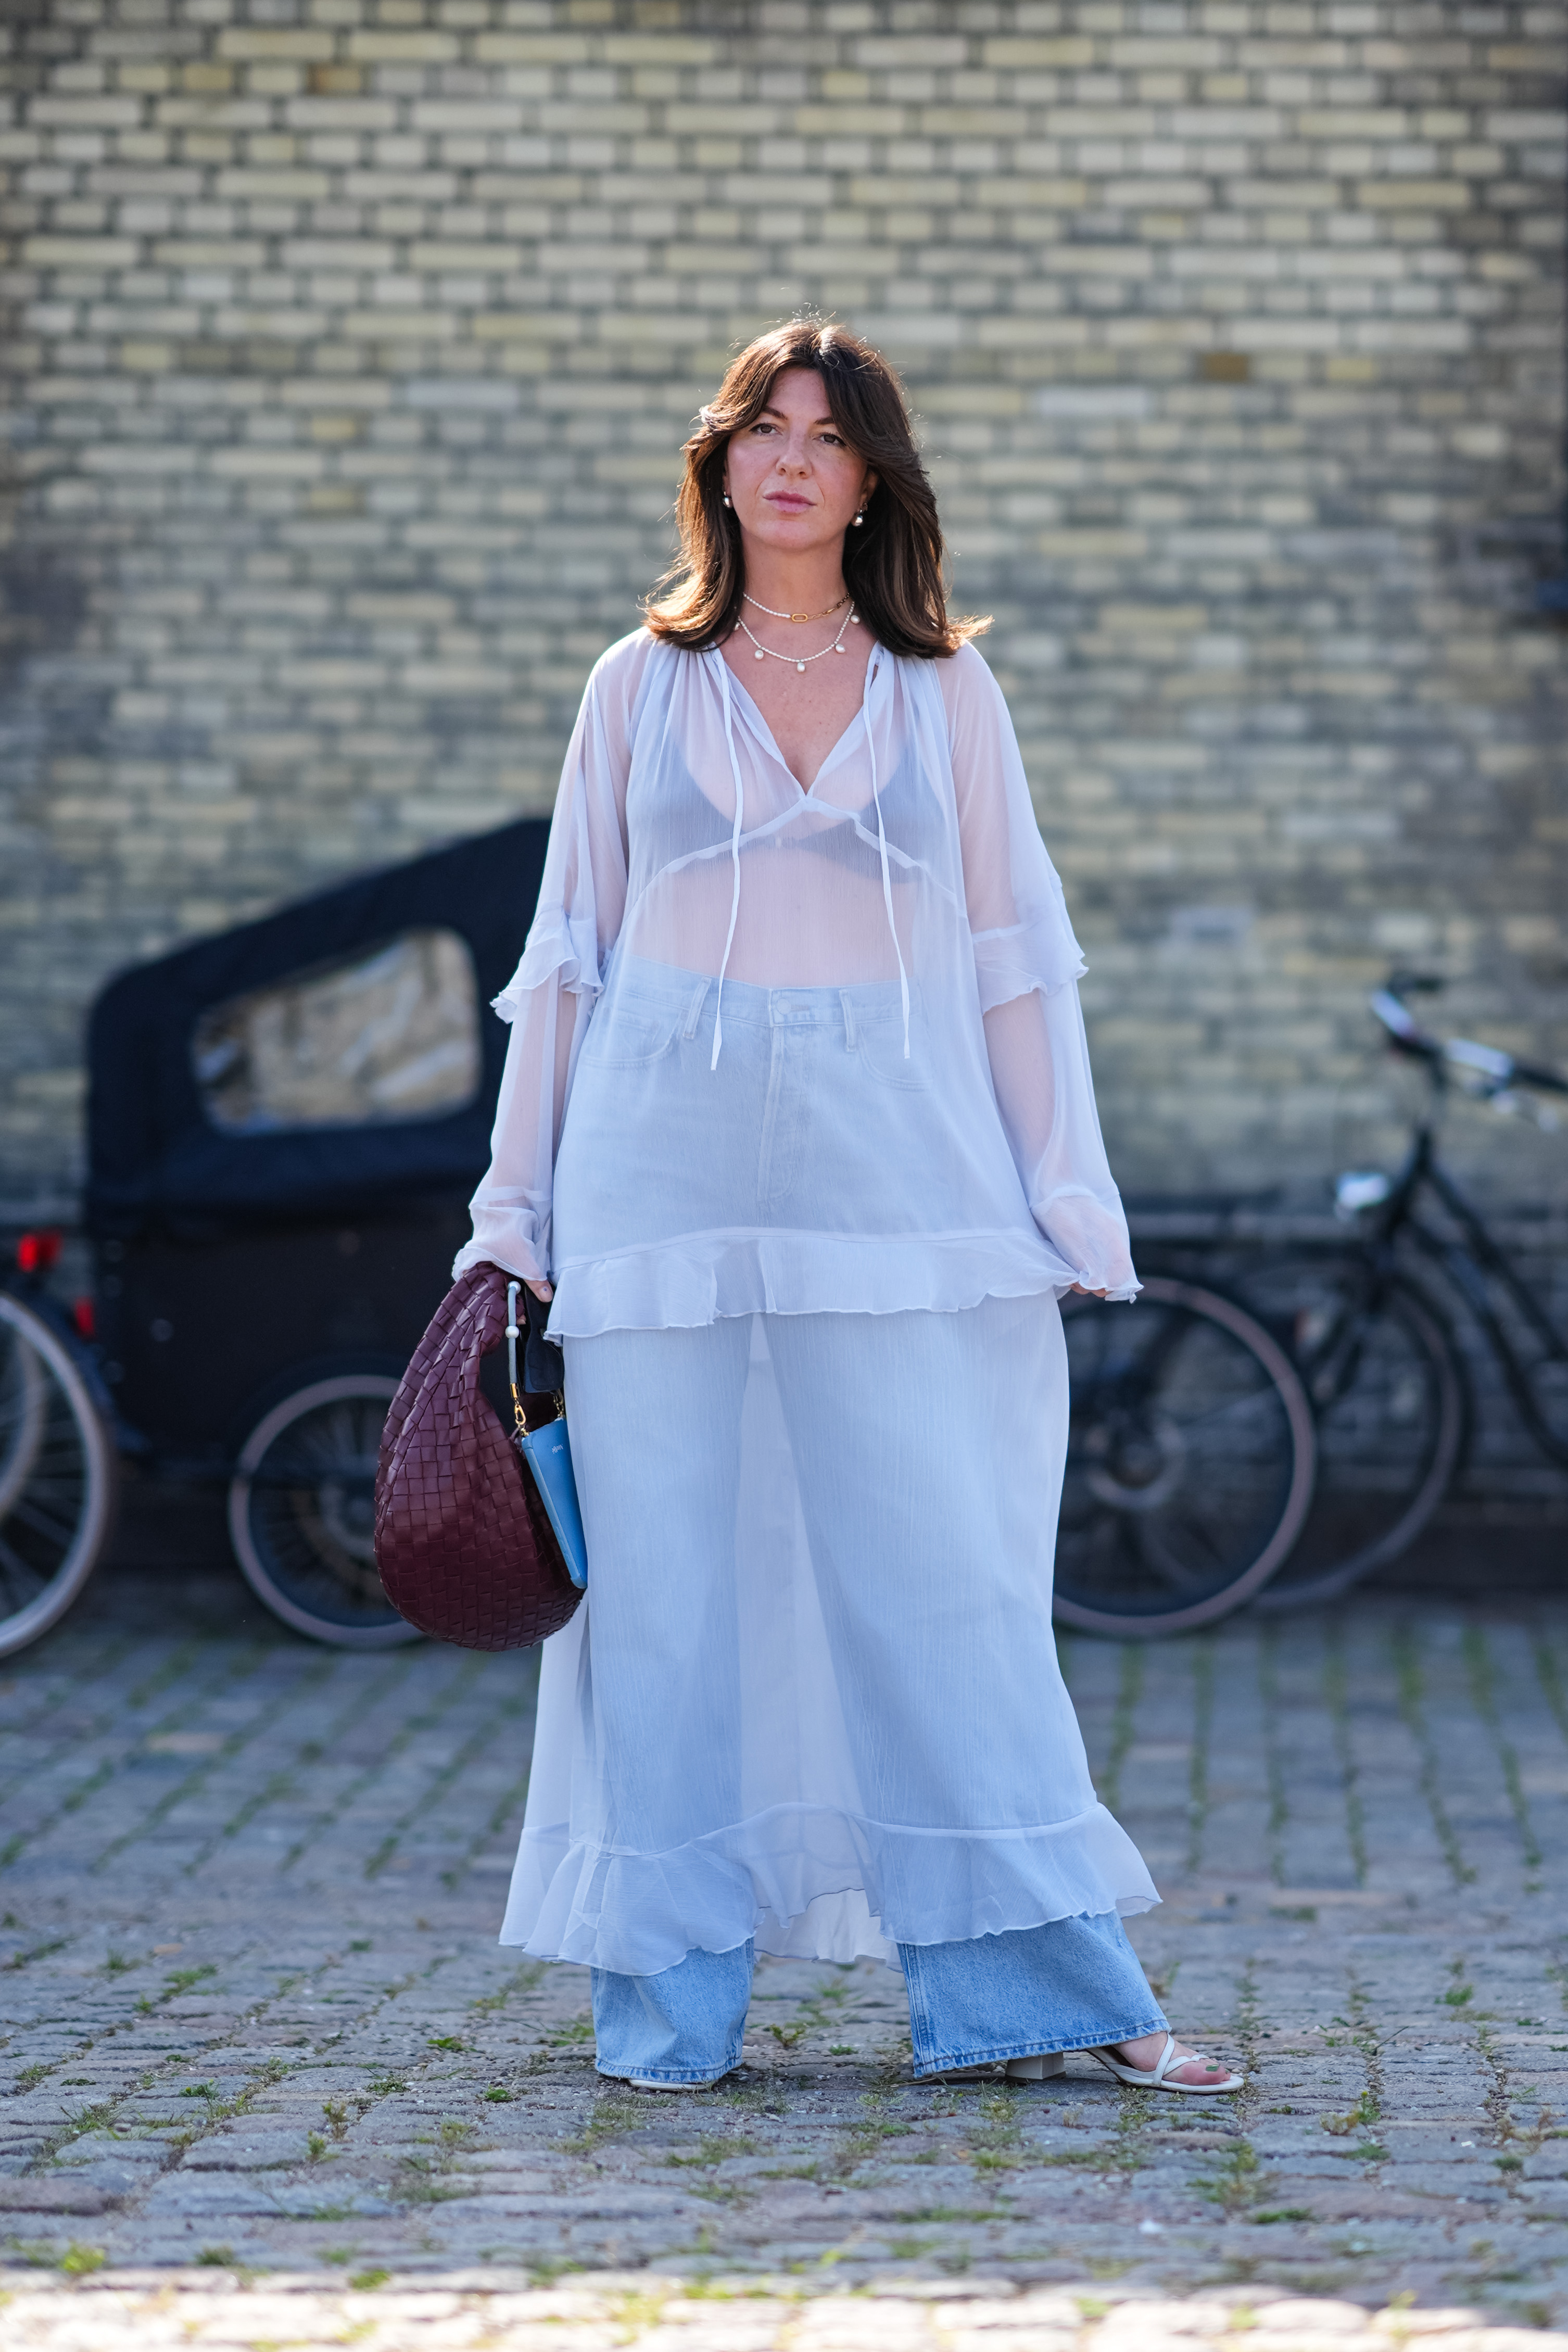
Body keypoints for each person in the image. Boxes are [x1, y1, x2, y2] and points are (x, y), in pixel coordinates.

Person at [455, 320, 1241, 2097]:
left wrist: (1066, 1182)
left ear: (871, 478)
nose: (792, 458)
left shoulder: (945, 691)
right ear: (721, 461)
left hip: (900, 1181)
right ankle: (668, 2010)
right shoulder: (633, 685)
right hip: (655, 1181)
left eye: (829, 435)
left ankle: (1048, 1989)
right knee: (663, 1597)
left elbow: (1015, 958)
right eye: (763, 428)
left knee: (937, 1581)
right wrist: (517, 1200)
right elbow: (561, 960)